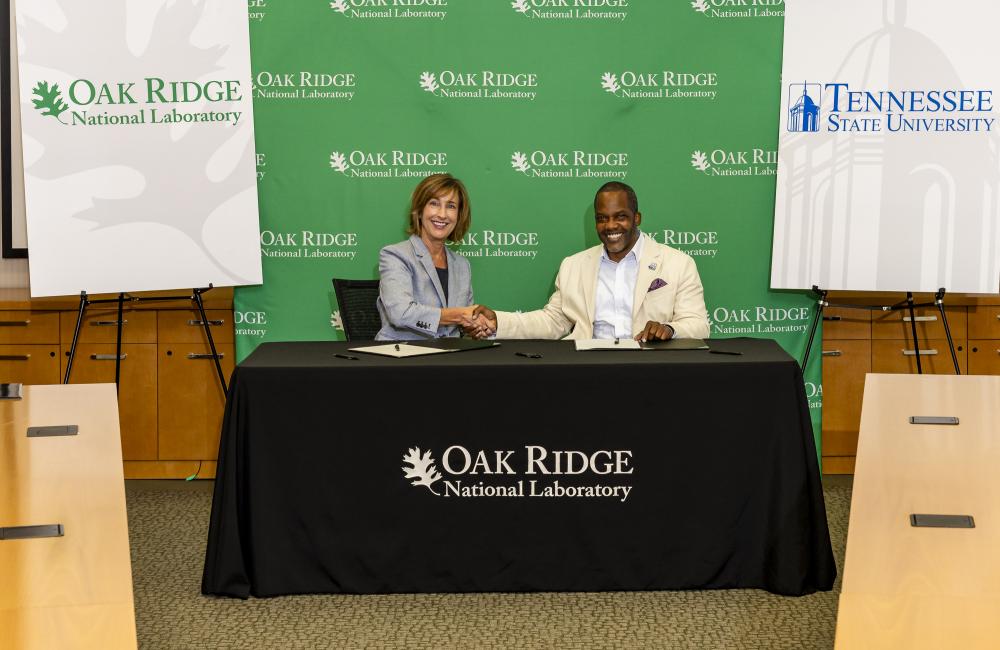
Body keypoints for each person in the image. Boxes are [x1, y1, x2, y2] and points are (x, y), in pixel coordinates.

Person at [466, 182, 709, 341]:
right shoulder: (574, 265)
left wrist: (669, 329)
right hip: (588, 371)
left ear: (637, 218)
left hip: (652, 369)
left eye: (620, 217)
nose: (611, 226)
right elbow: (553, 321)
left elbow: (698, 325)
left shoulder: (678, 263)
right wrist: (498, 321)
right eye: (602, 218)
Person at [376, 173, 478, 340]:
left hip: (450, 357)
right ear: (419, 211)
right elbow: (400, 313)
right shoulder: (395, 255)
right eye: (434, 204)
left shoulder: (462, 265)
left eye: (451, 206)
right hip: (403, 357)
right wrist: (460, 315)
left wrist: (477, 326)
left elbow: (465, 321)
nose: (442, 214)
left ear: (459, 216)